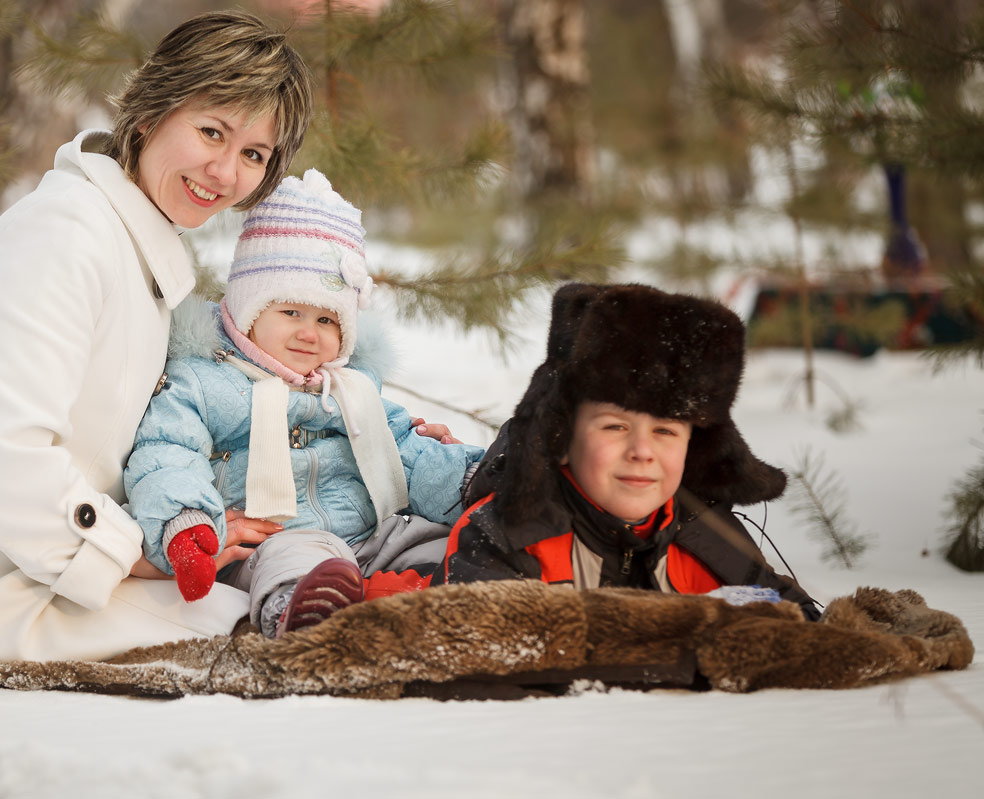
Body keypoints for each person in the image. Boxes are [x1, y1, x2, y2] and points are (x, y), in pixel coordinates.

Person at [0, 10, 316, 683]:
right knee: (271, 631)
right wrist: (141, 554)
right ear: (151, 113)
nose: (224, 171)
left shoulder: (130, 244)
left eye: (253, 154)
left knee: (269, 584)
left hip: (36, 569)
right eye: (211, 131)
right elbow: (13, 465)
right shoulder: (63, 238)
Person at [124, 168, 484, 637]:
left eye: (326, 320)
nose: (309, 333)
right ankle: (300, 612)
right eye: (290, 312)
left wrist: (476, 479)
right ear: (248, 312)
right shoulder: (205, 382)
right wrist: (188, 527)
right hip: (273, 544)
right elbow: (169, 454)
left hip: (369, 537)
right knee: (295, 556)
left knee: (445, 541)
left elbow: (407, 454)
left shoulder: (351, 388)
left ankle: (433, 595)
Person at [432, 282, 821, 620]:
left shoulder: (706, 533)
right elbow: (477, 654)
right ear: (563, 438)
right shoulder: (505, 535)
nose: (642, 451)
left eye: (665, 430)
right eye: (615, 427)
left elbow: (800, 624)